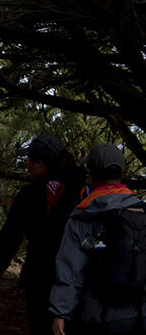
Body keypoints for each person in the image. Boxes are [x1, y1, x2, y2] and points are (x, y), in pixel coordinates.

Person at [0, 134, 85, 335]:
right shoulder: (82, 192)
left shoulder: (29, 195)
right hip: (77, 280)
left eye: (30, 159)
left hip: (40, 280)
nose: (27, 164)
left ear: (41, 163)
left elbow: (11, 236)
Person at [50, 143, 146, 335]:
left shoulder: (83, 216)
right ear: (121, 172)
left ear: (91, 174)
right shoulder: (141, 210)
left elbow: (70, 269)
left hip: (99, 317)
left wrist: (61, 312)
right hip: (141, 315)